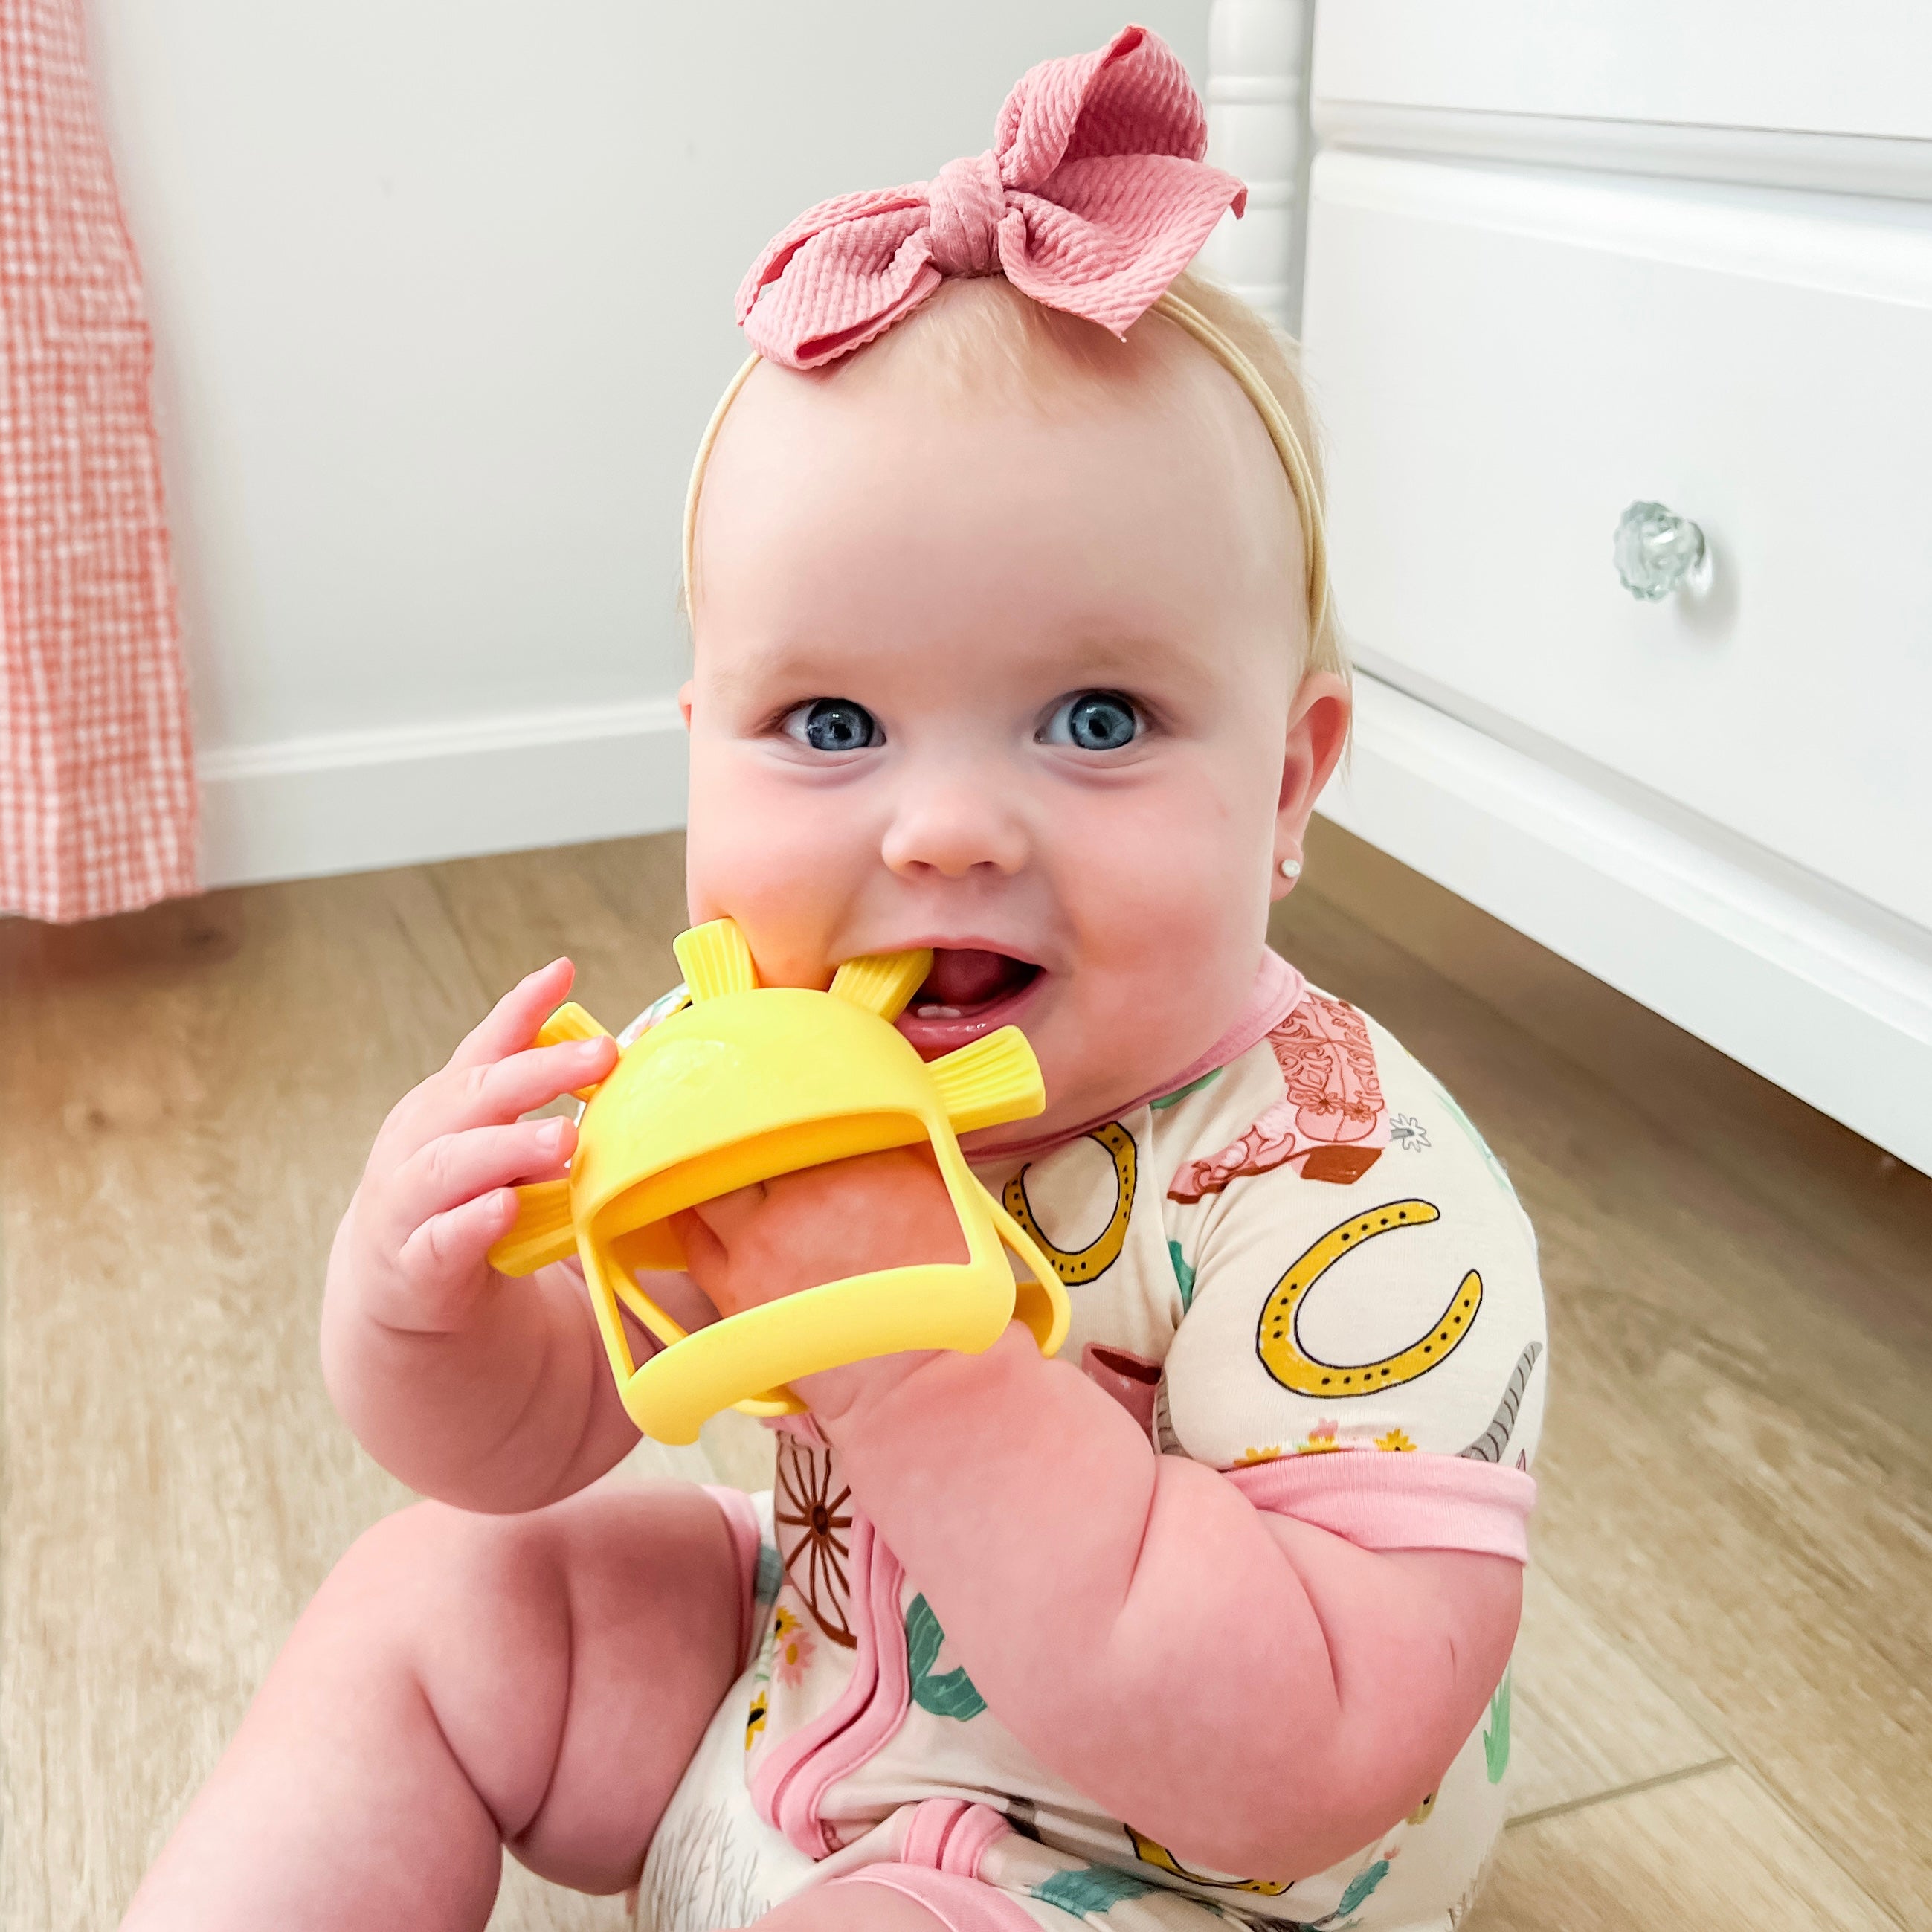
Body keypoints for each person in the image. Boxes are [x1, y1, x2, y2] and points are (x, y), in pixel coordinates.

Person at [124, 28, 1545, 1932]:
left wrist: (916, 1364)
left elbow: (1317, 1748)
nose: (945, 829)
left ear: (1285, 783)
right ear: (700, 740)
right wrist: (421, 1309)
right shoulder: (738, 1069)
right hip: (797, 1694)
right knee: (436, 1596)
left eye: (1097, 717)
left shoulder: (1344, 1188)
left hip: (1143, 1869)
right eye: (833, 721)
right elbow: (549, 1427)